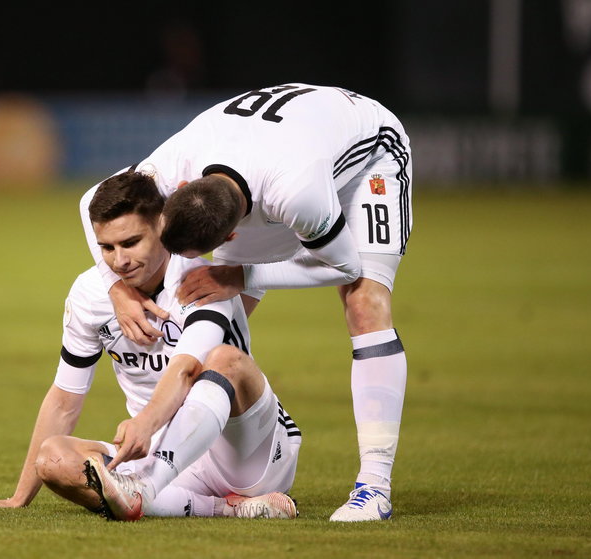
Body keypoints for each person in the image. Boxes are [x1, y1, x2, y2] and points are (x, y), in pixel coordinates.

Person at [79, 84, 412, 522]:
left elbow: (344, 267)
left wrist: (243, 274)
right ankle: (194, 451)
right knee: (213, 318)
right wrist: (116, 288)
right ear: (174, 193)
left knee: (364, 302)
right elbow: (91, 200)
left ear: (232, 239)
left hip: (367, 154)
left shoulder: (300, 196)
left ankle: (374, 488)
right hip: (267, 159)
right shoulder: (175, 162)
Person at [0, 171, 301, 521]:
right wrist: (19, 498)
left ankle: (147, 490)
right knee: (53, 458)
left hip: (245, 456)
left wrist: (143, 423)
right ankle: (225, 509)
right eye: (106, 247)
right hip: (156, 455)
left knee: (225, 359)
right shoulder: (91, 295)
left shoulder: (203, 280)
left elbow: (186, 369)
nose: (119, 261)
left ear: (161, 226)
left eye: (131, 243)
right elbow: (64, 399)